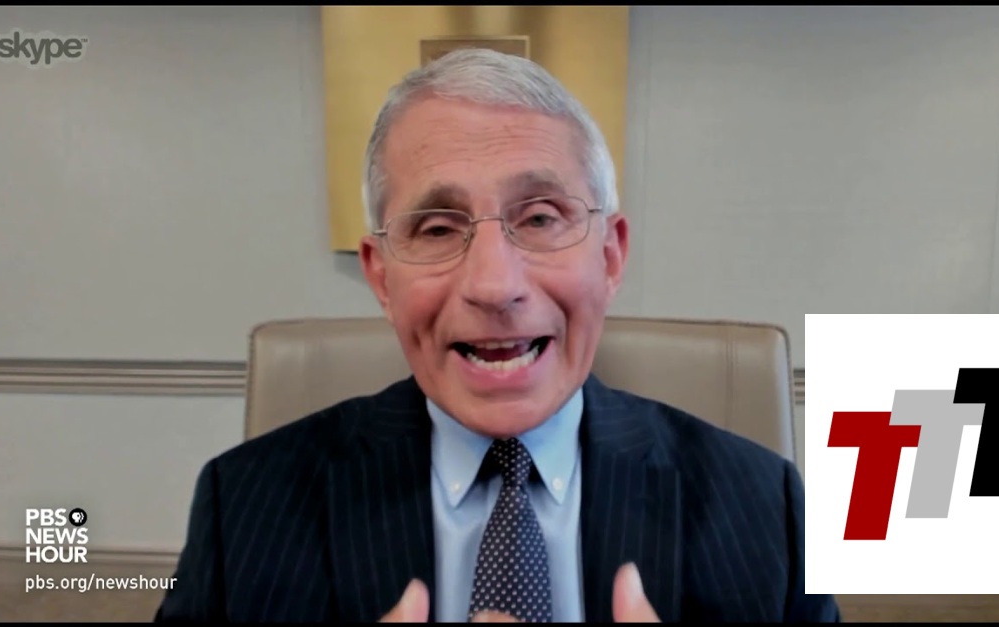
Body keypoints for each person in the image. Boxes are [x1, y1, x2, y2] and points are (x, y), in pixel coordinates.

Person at [154, 47, 840, 623]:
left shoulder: (763, 502)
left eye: (540, 218)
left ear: (610, 257)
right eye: (437, 228)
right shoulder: (240, 505)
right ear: (381, 276)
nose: (493, 284)